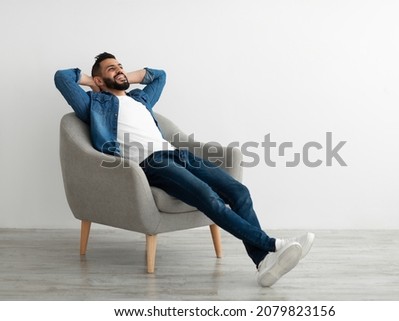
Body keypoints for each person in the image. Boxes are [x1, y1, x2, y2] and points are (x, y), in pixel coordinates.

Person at [54, 52, 315, 287]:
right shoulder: (95, 105)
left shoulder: (140, 99)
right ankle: (273, 245)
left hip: (179, 154)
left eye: (120, 65)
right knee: (207, 196)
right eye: (111, 68)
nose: (119, 70)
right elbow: (62, 78)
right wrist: (94, 81)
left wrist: (123, 76)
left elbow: (160, 76)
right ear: (99, 80)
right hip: (153, 162)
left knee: (239, 192)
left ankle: (263, 264)